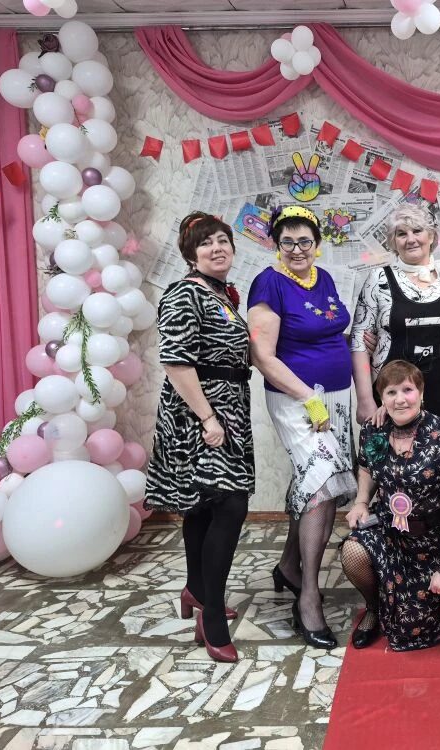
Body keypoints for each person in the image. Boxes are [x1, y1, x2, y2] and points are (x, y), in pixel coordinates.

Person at [145, 211, 254, 664]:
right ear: (191, 254)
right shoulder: (185, 292)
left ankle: (196, 588)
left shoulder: (221, 293)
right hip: (199, 413)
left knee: (205, 506)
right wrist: (208, 418)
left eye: (222, 240)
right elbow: (175, 361)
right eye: (206, 243)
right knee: (230, 505)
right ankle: (211, 616)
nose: (217, 248)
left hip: (228, 407)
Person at [248, 205, 358, 650]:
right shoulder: (269, 283)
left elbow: (327, 331)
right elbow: (262, 355)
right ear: (277, 244)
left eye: (304, 241)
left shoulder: (323, 278)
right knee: (323, 482)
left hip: (337, 397)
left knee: (313, 482)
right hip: (297, 399)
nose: (297, 249)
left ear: (317, 243)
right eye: (288, 242)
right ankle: (308, 596)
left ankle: (288, 566)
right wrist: (309, 399)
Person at [342, 360, 440, 651]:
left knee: (410, 628)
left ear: (421, 392)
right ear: (382, 398)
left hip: (431, 541)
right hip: (389, 529)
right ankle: (374, 607)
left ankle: (423, 599)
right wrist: (361, 501)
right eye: (391, 392)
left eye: (407, 390)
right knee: (352, 552)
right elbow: (366, 466)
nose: (400, 399)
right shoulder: (373, 430)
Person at [350, 204, 440, 429]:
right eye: (401, 234)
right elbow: (359, 344)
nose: (410, 239)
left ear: (431, 236)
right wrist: (364, 400)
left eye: (417, 231)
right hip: (392, 402)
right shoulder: (378, 279)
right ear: (393, 242)